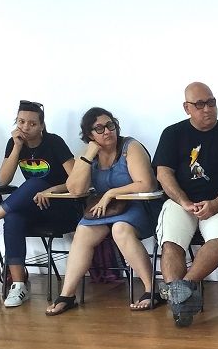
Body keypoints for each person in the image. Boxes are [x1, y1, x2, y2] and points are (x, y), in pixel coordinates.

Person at [0, 100, 77, 308]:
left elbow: (76, 180)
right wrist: (17, 147)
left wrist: (51, 190)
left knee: (35, 183)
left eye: (32, 123)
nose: (26, 127)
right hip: (36, 206)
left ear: (41, 126)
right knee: (12, 217)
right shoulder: (14, 144)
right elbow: (3, 179)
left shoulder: (54, 142)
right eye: (21, 122)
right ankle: (19, 285)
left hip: (61, 207)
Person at [153, 82, 218, 328]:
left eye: (211, 102)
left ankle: (180, 291)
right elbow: (163, 174)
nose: (207, 109)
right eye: (199, 105)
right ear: (187, 108)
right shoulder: (172, 134)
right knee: (170, 244)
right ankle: (183, 304)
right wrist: (183, 201)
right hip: (181, 202)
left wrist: (216, 204)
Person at [44, 108, 160, 316]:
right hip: (103, 210)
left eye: (110, 125)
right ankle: (67, 295)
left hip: (137, 207)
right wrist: (89, 155)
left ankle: (152, 289)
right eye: (99, 128)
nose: (107, 131)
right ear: (90, 135)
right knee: (82, 233)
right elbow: (76, 189)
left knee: (120, 230)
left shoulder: (130, 147)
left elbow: (147, 184)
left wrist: (111, 193)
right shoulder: (89, 153)